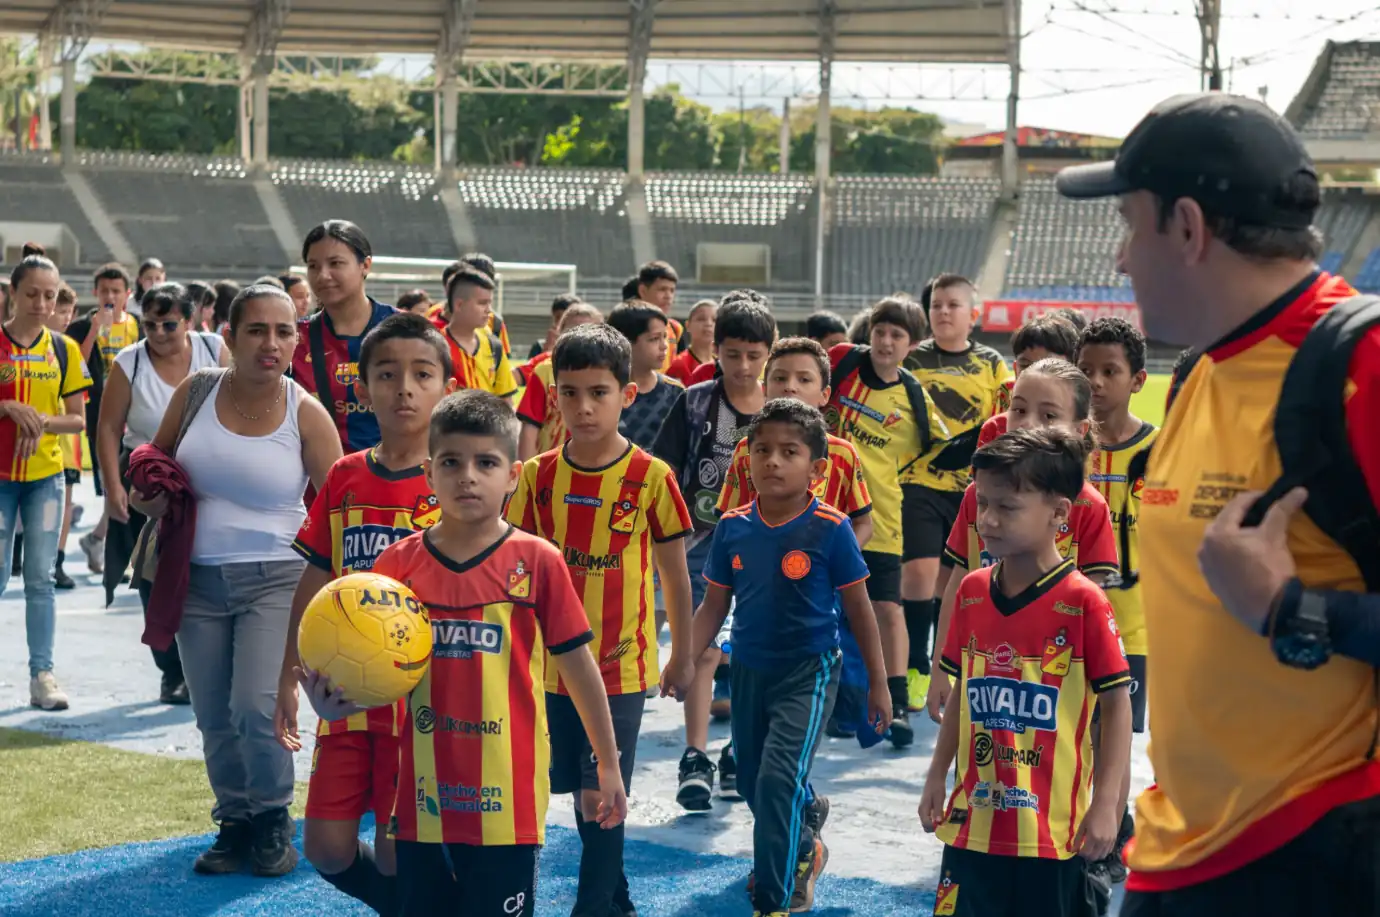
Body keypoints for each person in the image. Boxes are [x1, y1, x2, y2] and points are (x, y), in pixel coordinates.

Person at [1056, 92, 1380, 914]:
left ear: (1189, 228)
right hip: (1180, 848)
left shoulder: (1362, 367)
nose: (1121, 258)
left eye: (1130, 224)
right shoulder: (1205, 370)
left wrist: (1292, 609)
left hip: (1314, 851)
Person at [316, 390, 627, 917]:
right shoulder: (395, 566)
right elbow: (373, 671)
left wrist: (608, 765)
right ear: (428, 473)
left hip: (507, 802)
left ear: (512, 476)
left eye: (486, 463)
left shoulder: (539, 561)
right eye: (451, 463)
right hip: (420, 798)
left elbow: (579, 671)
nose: (467, 476)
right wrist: (335, 704)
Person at [142, 283, 341, 877]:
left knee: (256, 707)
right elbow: (152, 462)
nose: (271, 343)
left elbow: (339, 508)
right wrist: (147, 495)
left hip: (278, 579)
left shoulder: (305, 411)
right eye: (257, 330)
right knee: (213, 715)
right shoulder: (196, 392)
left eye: (284, 332)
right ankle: (234, 820)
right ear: (229, 336)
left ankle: (272, 816)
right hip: (194, 579)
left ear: (297, 340)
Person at [507, 324, 695, 917]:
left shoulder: (653, 477)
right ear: (553, 396)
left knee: (600, 798)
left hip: (620, 668)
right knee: (576, 796)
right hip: (548, 669)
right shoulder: (535, 476)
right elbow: (514, 568)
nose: (583, 407)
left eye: (598, 392)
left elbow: (675, 577)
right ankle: (618, 899)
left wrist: (682, 654)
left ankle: (592, 908)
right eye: (570, 393)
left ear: (627, 394)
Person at [273, 313, 453, 915]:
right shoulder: (346, 476)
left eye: (422, 374)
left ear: (447, 388)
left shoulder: (456, 482)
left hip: (421, 702)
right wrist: (289, 677)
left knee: (404, 854)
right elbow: (317, 578)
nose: (404, 388)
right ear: (363, 386)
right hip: (344, 695)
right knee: (326, 849)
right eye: (387, 374)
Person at [918, 427, 1133, 917]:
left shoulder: (1084, 602)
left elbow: (1117, 706)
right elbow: (965, 694)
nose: (988, 520)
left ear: (1059, 513)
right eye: (982, 504)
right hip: (972, 825)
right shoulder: (972, 593)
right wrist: (936, 775)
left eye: (1007, 507)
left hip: (1051, 836)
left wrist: (1108, 805)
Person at [691, 397, 890, 916]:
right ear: (746, 460)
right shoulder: (733, 526)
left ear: (817, 469)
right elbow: (714, 604)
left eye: (789, 452)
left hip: (809, 671)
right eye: (761, 450)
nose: (773, 461)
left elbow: (860, 610)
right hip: (749, 669)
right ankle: (805, 828)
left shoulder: (831, 527)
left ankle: (773, 899)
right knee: (754, 782)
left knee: (777, 778)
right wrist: (683, 660)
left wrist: (879, 682)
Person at [677, 336, 874, 807]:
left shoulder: (843, 456)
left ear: (824, 394)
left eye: (804, 379)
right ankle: (710, 754)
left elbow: (862, 521)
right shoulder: (749, 454)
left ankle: (789, 808)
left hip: (812, 602)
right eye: (780, 377)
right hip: (752, 591)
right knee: (717, 658)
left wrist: (834, 557)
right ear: (765, 386)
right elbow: (729, 523)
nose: (790, 386)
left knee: (786, 752)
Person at [926, 357, 1120, 721]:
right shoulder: (977, 496)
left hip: (1051, 682)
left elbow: (1093, 605)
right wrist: (940, 668)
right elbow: (957, 585)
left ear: (1079, 430)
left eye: (1048, 416)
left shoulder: (1089, 507)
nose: (1028, 423)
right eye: (1018, 409)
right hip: (984, 669)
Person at [826, 298, 950, 747]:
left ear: (912, 345)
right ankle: (825, 700)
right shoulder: (842, 362)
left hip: (881, 515)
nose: (885, 341)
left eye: (897, 335)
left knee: (887, 608)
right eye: (880, 331)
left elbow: (938, 446)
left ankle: (896, 705)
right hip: (822, 509)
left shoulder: (914, 396)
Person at [97, 282, 228, 704]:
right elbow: (107, 428)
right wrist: (112, 488)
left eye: (168, 325)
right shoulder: (129, 362)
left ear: (190, 321)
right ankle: (171, 671)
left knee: (208, 571)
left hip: (209, 477)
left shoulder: (214, 350)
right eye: (149, 324)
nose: (157, 333)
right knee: (155, 578)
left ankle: (212, 665)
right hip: (150, 482)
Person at [653, 293, 774, 744]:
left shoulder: (778, 407)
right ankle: (697, 749)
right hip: (699, 542)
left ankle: (740, 730)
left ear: (768, 352)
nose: (743, 365)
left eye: (754, 356)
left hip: (765, 541)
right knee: (702, 637)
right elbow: (665, 467)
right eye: (732, 354)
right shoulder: (694, 402)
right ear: (715, 349)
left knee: (752, 637)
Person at [901, 274, 1011, 711]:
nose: (943, 312)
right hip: (918, 482)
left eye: (953, 305)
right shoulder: (912, 360)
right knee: (920, 571)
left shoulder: (991, 364)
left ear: (974, 315)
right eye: (936, 305)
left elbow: (1005, 420)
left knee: (952, 581)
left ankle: (941, 661)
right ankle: (915, 663)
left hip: (971, 489)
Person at [1075, 317, 1157, 885]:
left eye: (1111, 371)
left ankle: (1110, 837)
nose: (1097, 382)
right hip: (1061, 622)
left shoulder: (1161, 450)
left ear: (1138, 380)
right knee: (1071, 733)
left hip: (1133, 625)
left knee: (1112, 736)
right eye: (1086, 370)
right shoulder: (1062, 449)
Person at [0, 252, 92, 711]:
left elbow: (78, 420)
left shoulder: (64, 349)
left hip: (46, 481)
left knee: (41, 579)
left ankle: (42, 676)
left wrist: (40, 420)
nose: (40, 304)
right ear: (13, 294)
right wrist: (5, 407)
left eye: (50, 296)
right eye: (32, 294)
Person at [292, 220, 395, 457]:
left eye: (335, 263)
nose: (323, 275)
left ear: (365, 265)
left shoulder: (405, 330)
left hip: (396, 473)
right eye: (313, 266)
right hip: (321, 475)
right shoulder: (295, 339)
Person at [68, 262, 142, 576]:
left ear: (127, 294)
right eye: (104, 291)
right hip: (102, 417)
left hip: (136, 416)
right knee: (113, 484)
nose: (110, 297)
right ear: (95, 293)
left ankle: (100, 539)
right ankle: (108, 546)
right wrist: (94, 331)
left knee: (129, 483)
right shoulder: (81, 328)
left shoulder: (139, 326)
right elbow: (74, 368)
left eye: (116, 291)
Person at [515, 303, 603, 462]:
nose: (580, 339)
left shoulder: (608, 373)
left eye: (590, 332)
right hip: (550, 466)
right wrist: (526, 471)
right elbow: (529, 428)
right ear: (559, 335)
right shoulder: (545, 371)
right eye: (572, 332)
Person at [981, 314, 1081, 445]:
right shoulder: (995, 428)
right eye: (1025, 365)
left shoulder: (1082, 431)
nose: (1035, 374)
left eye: (1049, 365)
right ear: (1015, 370)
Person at [43, 283, 81, 590]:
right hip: (31, 444)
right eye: (61, 311)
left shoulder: (68, 350)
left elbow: (78, 409)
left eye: (70, 312)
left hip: (65, 446)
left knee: (64, 504)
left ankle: (57, 560)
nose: (65, 317)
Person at [607, 300, 684, 449]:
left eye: (664, 337)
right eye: (654, 339)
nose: (664, 346)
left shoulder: (676, 393)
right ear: (624, 343)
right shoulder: (602, 391)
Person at [440, 266, 516, 399]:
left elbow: (506, 400)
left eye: (489, 303)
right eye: (482, 303)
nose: (489, 310)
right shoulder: (436, 347)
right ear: (459, 305)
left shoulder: (494, 346)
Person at [635, 260, 684, 373]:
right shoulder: (627, 326)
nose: (668, 296)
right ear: (643, 291)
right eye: (662, 289)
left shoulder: (675, 329)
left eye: (672, 290)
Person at [666, 299, 716, 385]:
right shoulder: (678, 365)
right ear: (688, 325)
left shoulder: (724, 364)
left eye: (714, 320)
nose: (709, 324)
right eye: (701, 319)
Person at [527, 292, 583, 361]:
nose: (562, 322)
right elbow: (531, 367)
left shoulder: (588, 347)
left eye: (568, 318)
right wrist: (547, 351)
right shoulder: (539, 346)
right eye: (558, 317)